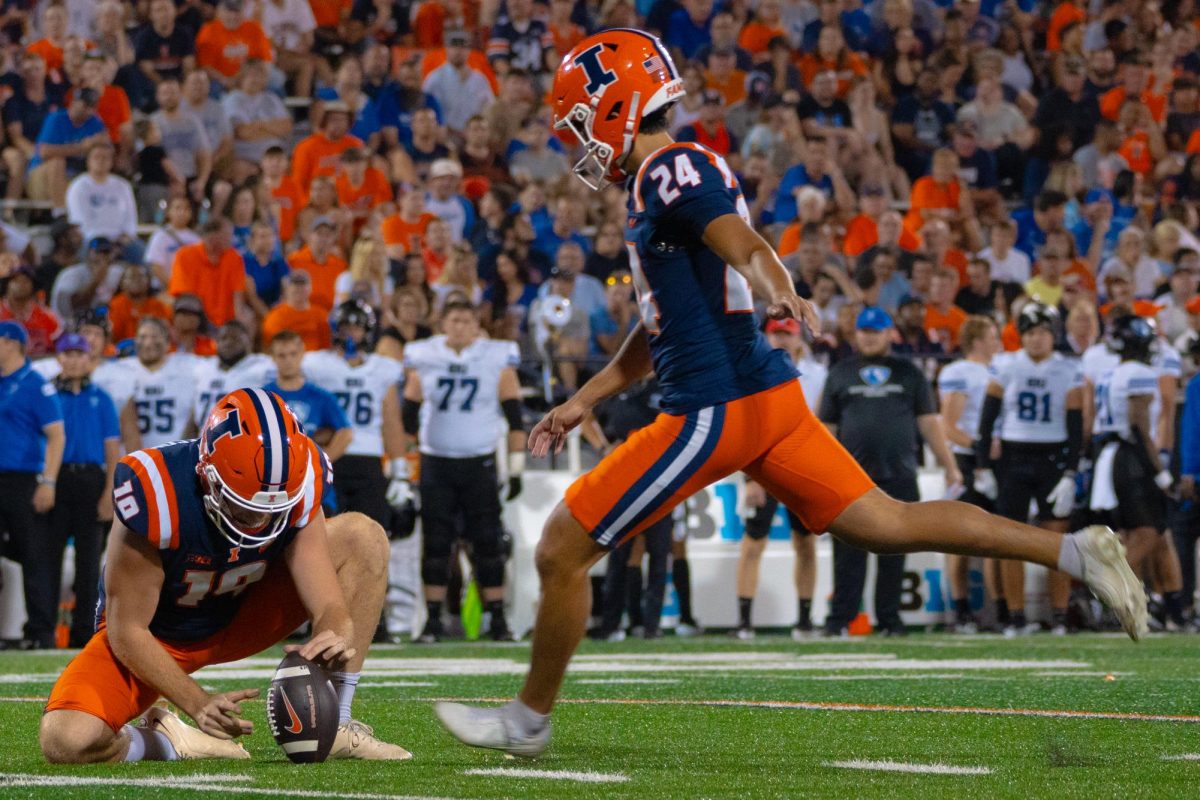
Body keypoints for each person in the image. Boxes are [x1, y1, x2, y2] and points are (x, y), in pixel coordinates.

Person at [437, 30, 1147, 758]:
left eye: (584, 121)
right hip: (765, 400)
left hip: (715, 406)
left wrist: (778, 284)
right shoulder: (672, 173)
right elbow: (663, 324)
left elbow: (743, 244)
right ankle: (1075, 554)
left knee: (560, 549)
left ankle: (527, 720)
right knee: (887, 523)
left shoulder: (669, 169)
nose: (581, 141)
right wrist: (585, 397)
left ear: (617, 106)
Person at [39, 388, 410, 763]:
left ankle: (337, 724)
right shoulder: (157, 491)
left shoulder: (299, 476)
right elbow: (128, 630)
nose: (259, 520)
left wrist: (335, 633)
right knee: (67, 740)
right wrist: (197, 702)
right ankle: (168, 741)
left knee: (363, 537)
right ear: (207, 475)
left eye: (275, 508)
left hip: (245, 608)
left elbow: (328, 603)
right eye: (243, 505)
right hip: (159, 636)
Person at [821, 306, 962, 636]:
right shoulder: (840, 372)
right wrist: (825, 471)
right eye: (864, 332)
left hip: (899, 475)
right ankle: (840, 619)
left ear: (889, 334)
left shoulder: (909, 372)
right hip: (852, 478)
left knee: (895, 552)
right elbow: (826, 427)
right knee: (847, 555)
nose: (869, 338)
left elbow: (929, 423)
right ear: (855, 334)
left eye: (876, 332)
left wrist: (950, 466)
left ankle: (889, 619)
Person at [402, 300, 526, 642]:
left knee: (488, 542)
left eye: (467, 320)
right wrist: (404, 467)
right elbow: (407, 415)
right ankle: (433, 621)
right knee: (436, 544)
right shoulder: (424, 356)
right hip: (436, 462)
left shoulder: (496, 356)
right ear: (443, 323)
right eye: (454, 320)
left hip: (479, 462)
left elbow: (515, 416)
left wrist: (516, 467)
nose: (460, 327)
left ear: (477, 325)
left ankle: (498, 619)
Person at [975, 304, 1084, 636]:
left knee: (1057, 541)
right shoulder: (1006, 365)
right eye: (1031, 333)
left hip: (1052, 457)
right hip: (1013, 457)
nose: (1037, 339)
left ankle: (1060, 616)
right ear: (1022, 336)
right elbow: (987, 420)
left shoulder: (1068, 369)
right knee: (1011, 541)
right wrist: (983, 466)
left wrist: (1070, 472)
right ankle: (1016, 616)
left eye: (1043, 333)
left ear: (1054, 335)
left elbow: (1076, 426)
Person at [1090, 315, 1187, 629]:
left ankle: (1166, 610)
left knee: (1141, 534)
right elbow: (1139, 428)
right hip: (1131, 458)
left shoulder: (1111, 373)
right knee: (1149, 532)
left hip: (1110, 456)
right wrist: (1160, 471)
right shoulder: (1140, 374)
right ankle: (1107, 592)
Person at [734, 317, 826, 640]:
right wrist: (750, 477)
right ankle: (744, 622)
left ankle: (804, 620)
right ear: (767, 336)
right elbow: (746, 426)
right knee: (753, 543)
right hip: (765, 464)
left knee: (805, 543)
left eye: (788, 334)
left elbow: (823, 424)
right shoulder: (753, 374)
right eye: (777, 334)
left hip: (804, 466)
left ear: (799, 338)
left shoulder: (818, 375)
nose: (782, 340)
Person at [33, 334, 120, 648]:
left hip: (90, 481)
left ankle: (84, 632)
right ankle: (43, 632)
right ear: (59, 358)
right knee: (48, 557)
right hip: (55, 479)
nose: (72, 360)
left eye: (78, 354)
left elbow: (112, 449)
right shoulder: (47, 395)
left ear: (89, 359)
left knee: (89, 561)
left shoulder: (102, 398)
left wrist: (109, 492)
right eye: (67, 354)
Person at [302, 300, 405, 530]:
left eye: (357, 327)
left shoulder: (382, 369)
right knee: (327, 532)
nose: (351, 333)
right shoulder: (315, 364)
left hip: (368, 457)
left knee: (371, 533)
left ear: (367, 331)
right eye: (345, 327)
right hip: (329, 455)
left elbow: (391, 420)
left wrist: (400, 471)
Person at [0, 321, 65, 649]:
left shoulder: (36, 384)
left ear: (11, 343)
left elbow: (56, 435)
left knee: (34, 555)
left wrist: (48, 481)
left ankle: (40, 632)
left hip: (24, 480)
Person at [937, 315, 1002, 633]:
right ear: (977, 341)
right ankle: (961, 610)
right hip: (967, 460)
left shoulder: (999, 369)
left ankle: (997, 610)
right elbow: (949, 426)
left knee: (996, 539)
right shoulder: (959, 372)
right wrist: (980, 448)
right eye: (992, 336)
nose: (997, 342)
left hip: (996, 460)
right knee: (961, 539)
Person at [264, 331, 353, 462]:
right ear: (272, 357)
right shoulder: (263, 397)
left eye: (293, 354)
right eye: (282, 355)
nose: (288, 361)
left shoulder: (320, 396)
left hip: (307, 471)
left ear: (302, 353)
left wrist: (320, 463)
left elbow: (346, 432)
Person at [123, 317, 200, 452]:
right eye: (143, 337)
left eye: (154, 337)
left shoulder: (189, 366)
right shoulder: (121, 370)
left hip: (178, 454)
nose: (148, 343)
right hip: (135, 457)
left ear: (168, 342)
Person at [192, 321, 273, 426]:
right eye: (223, 338)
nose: (228, 343)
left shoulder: (263, 366)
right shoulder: (205, 368)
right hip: (205, 434)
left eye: (235, 338)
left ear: (249, 342)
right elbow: (194, 415)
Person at [261, 270, 332, 353]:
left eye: (303, 284)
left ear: (310, 288)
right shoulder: (276, 316)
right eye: (294, 285)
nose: (299, 288)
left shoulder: (321, 314)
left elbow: (326, 345)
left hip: (317, 357)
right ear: (286, 289)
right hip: (288, 357)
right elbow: (272, 348)